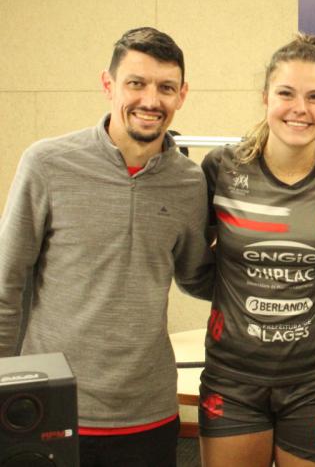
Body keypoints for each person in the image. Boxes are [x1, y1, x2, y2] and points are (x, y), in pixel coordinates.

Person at [0, 27, 214, 466]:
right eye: (136, 83)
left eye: (165, 87)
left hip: (149, 412)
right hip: (50, 403)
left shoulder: (189, 181)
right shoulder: (47, 163)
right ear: (108, 84)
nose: (150, 100)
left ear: (182, 95)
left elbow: (197, 277)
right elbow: (6, 283)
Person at [198, 34, 315, 467]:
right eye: (286, 94)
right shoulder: (221, 168)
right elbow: (193, 262)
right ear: (265, 97)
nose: (300, 108)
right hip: (232, 376)